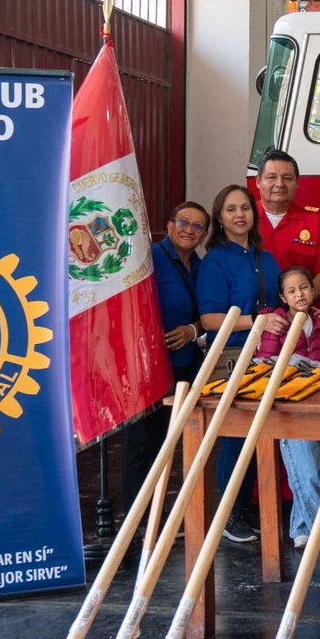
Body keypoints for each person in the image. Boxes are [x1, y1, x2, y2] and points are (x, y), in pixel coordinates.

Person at [197, 183, 285, 543]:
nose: (239, 215)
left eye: (245, 208)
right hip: (232, 357)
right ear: (220, 217)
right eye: (231, 209)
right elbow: (210, 320)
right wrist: (257, 322)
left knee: (259, 433)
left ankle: (247, 506)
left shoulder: (265, 257)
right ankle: (228, 514)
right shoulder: (216, 260)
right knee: (234, 436)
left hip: (268, 356)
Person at [256, 267, 320, 546]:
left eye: (304, 288)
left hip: (315, 401)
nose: (299, 294)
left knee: (312, 466)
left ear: (313, 290)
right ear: (282, 296)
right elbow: (264, 363)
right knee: (306, 470)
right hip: (288, 404)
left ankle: (301, 528)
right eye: (291, 290)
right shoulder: (274, 322)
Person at [121, 201, 208, 504]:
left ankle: (162, 513)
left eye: (198, 226)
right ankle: (137, 520)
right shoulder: (150, 258)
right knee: (142, 443)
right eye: (183, 222)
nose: (189, 230)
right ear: (170, 225)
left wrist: (192, 330)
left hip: (186, 367)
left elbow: (209, 313)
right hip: (147, 368)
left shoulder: (201, 266)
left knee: (170, 444)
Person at [254, 149, 320, 300]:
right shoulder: (245, 220)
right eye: (271, 177)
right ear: (258, 181)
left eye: (287, 178)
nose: (279, 184)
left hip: (301, 316)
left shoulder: (315, 220)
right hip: (254, 316)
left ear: (297, 183)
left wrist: (295, 304)